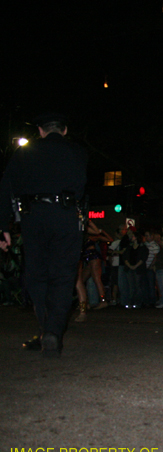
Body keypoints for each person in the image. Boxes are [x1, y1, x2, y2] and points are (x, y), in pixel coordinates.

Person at [0, 112, 87, 357]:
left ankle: (45, 328)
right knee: (63, 275)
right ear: (65, 130)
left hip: (33, 215)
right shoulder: (77, 152)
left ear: (40, 130)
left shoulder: (24, 153)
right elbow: (81, 185)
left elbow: (6, 187)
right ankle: (52, 331)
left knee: (37, 273)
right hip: (65, 214)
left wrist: (3, 226)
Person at [74, 220, 113, 322]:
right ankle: (84, 303)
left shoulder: (91, 235)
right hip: (85, 258)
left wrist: (101, 230)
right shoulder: (79, 233)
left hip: (93, 257)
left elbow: (109, 239)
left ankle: (103, 300)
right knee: (81, 280)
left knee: (96, 278)